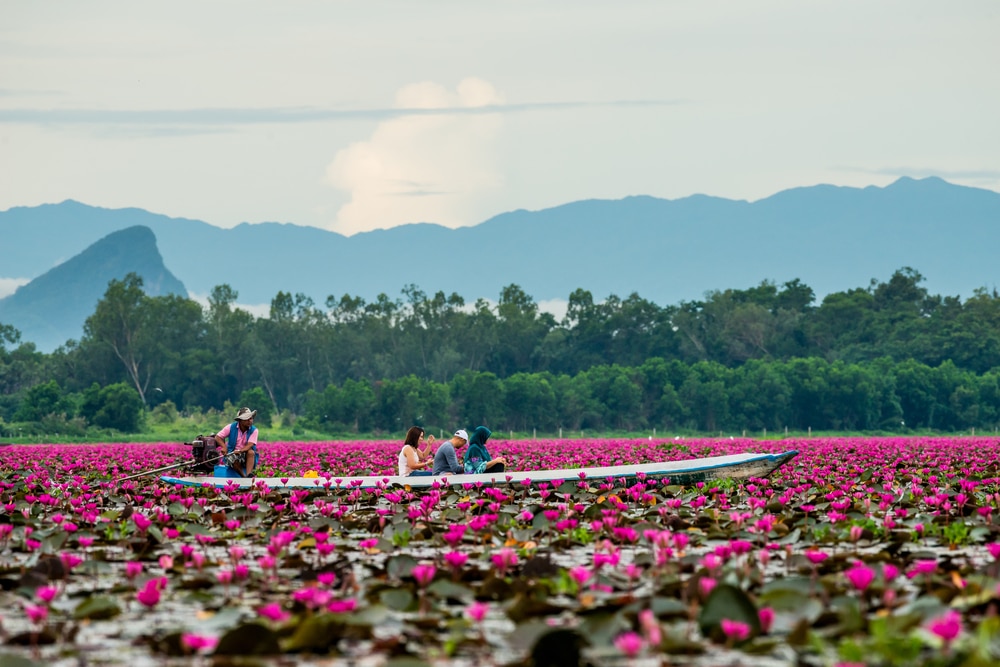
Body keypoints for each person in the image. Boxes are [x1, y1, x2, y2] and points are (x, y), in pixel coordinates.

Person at [215, 406, 259, 477]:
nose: (249, 421)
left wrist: (240, 451)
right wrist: (224, 447)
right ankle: (243, 476)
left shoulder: (254, 430)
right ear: (240, 421)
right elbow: (218, 437)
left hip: (245, 454)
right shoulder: (230, 427)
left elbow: (250, 444)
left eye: (250, 418)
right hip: (232, 453)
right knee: (233, 458)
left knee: (251, 452)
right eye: (246, 419)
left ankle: (249, 474)